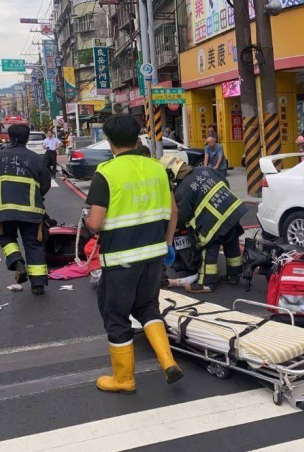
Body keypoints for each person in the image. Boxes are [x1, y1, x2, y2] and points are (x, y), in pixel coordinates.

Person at [84, 114, 183, 389]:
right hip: (154, 255)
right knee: (148, 307)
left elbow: (94, 222)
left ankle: (124, 379)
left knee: (116, 316)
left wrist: (85, 221)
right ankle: (168, 362)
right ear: (138, 136)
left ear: (109, 141)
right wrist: (167, 243)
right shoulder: (157, 168)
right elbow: (173, 211)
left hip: (121, 260)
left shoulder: (106, 172)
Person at [160, 154, 248, 294]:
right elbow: (225, 181)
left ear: (171, 174)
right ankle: (234, 275)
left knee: (208, 247)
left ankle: (206, 283)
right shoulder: (204, 170)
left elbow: (181, 216)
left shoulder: (183, 189)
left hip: (216, 221)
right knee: (231, 244)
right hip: (233, 210)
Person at [0, 124, 51, 295]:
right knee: (34, 244)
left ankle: (16, 260)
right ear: (27, 138)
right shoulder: (35, 159)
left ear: (9, 137)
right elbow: (46, 185)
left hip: (4, 211)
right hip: (32, 211)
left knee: (5, 236)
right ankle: (38, 285)